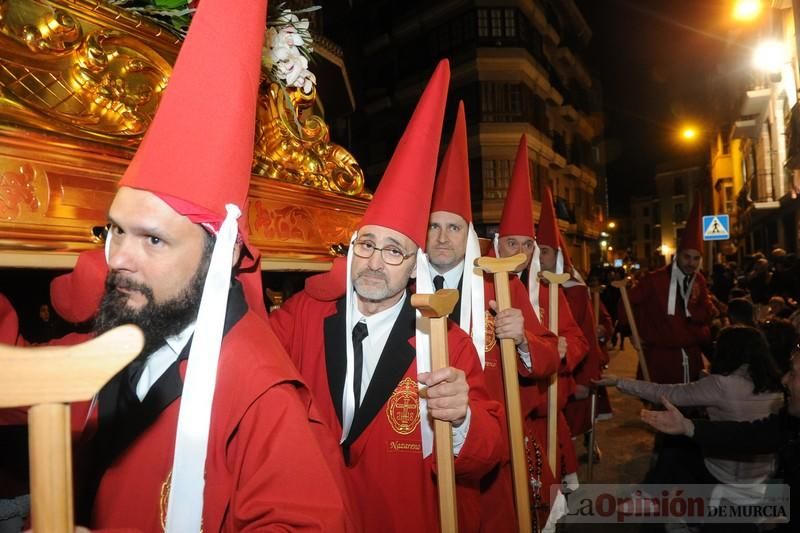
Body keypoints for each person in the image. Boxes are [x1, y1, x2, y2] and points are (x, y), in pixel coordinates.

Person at [4, 0, 355, 530]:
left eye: (153, 240)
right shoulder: (130, 329)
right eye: (116, 230)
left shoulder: (263, 397)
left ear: (223, 257)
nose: (118, 257)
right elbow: (28, 381)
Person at [270, 61, 505, 532]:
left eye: (394, 250)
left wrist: (461, 418)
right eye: (367, 244)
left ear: (415, 262)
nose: (376, 261)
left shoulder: (446, 342)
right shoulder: (302, 316)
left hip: (404, 518)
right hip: (315, 517)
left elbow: (489, 448)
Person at [426, 107, 560, 531]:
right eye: (434, 227)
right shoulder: (406, 291)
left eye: (454, 227)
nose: (443, 238)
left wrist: (522, 340)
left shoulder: (501, 288)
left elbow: (549, 357)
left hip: (494, 447)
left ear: (470, 235)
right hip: (429, 444)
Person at [493, 136, 589, 493]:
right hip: (503, 407)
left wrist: (563, 347)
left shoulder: (549, 291)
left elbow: (578, 339)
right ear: (497, 244)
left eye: (527, 244)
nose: (519, 251)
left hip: (546, 407)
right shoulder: (483, 288)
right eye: (512, 243)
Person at [598, 326, 784, 488]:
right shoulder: (778, 382)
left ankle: (651, 497)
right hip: (764, 473)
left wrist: (620, 382)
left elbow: (664, 393)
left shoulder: (722, 384)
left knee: (672, 441)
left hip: (724, 473)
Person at [640, 350, 800, 532]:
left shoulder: (719, 383)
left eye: (793, 373)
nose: (784, 380)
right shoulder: (790, 421)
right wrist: (687, 426)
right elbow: (750, 435)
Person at [536, 186, 607, 447]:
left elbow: (584, 337)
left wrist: (584, 380)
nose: (539, 257)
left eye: (545, 251)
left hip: (568, 374)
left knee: (563, 436)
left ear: (557, 255)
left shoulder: (574, 291)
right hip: (540, 378)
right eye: (537, 250)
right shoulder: (528, 287)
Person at [627, 199, 714, 385]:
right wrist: (632, 333)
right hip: (659, 356)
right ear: (677, 256)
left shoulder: (699, 281)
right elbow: (628, 303)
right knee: (659, 407)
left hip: (691, 355)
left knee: (690, 407)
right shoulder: (654, 279)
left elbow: (707, 312)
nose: (691, 263)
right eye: (687, 257)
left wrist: (694, 310)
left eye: (696, 258)